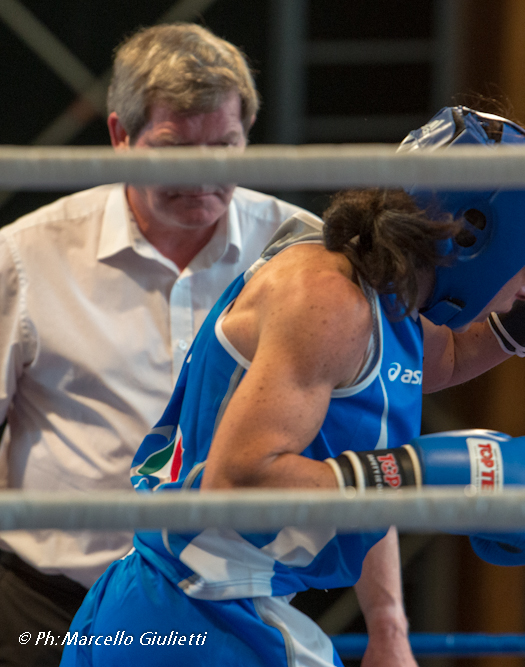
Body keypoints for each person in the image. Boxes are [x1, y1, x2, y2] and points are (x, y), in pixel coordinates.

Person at [59, 105, 525, 667]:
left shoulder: (388, 295)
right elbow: (238, 482)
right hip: (183, 621)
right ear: (472, 235)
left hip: (227, 607)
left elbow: (444, 361)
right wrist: (422, 476)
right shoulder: (327, 300)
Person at [0, 23, 308, 666]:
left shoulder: (302, 252)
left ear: (246, 136)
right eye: (176, 149)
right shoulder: (25, 256)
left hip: (232, 612)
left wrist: (389, 625)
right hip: (47, 613)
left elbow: (366, 432)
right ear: (120, 137)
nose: (201, 175)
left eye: (223, 146)